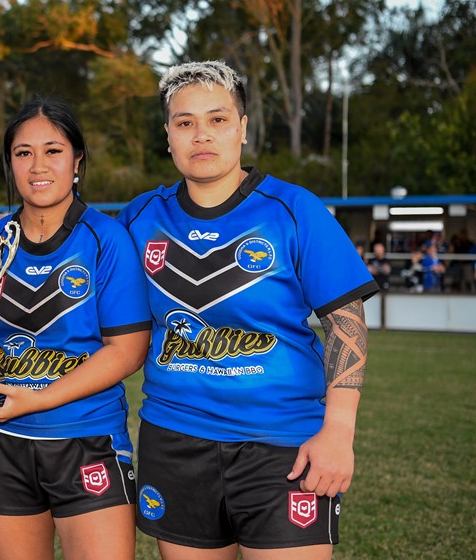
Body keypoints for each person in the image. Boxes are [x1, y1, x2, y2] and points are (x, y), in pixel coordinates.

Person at [114, 61, 378, 559]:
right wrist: (5, 225)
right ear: (168, 136)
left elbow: (347, 324)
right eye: (185, 122)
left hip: (282, 442)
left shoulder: (294, 209)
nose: (201, 135)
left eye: (217, 119)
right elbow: (74, 251)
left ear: (242, 128)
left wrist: (339, 431)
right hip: (174, 438)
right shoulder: (140, 217)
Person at [0, 98, 150, 560]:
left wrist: (38, 399)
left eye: (53, 151)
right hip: (1, 440)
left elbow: (128, 351)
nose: (38, 165)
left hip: (86, 439)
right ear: (10, 164)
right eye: (24, 153)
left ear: (77, 161)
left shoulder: (107, 239)